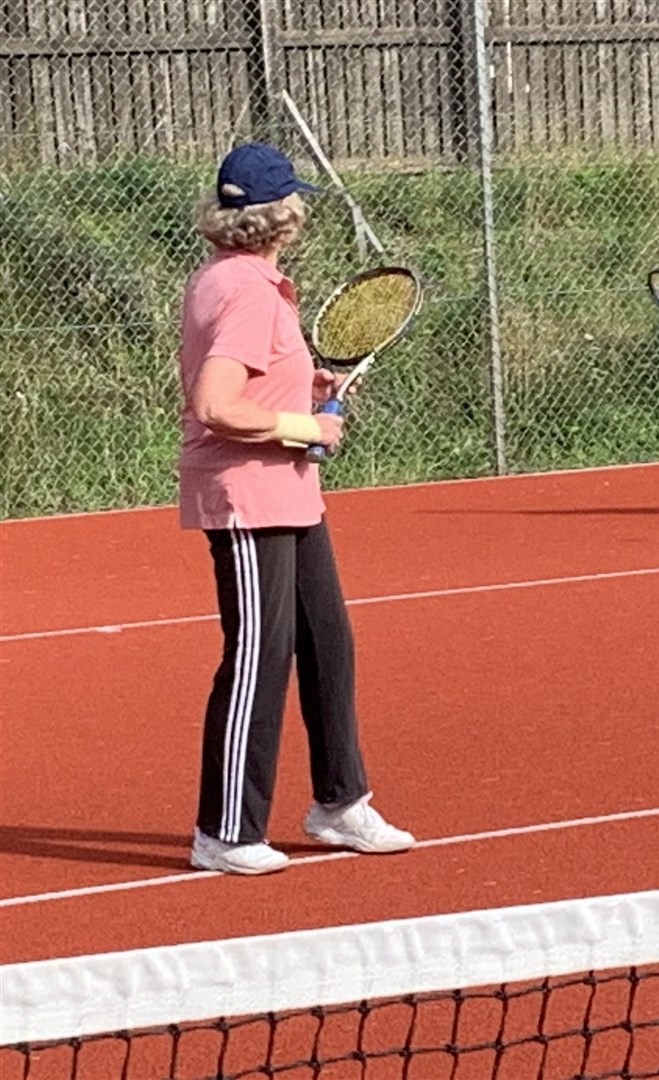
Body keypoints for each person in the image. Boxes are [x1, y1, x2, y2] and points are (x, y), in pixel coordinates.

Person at [178, 141, 414, 875]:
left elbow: (250, 374)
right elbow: (215, 403)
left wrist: (298, 383)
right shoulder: (249, 290)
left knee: (327, 642)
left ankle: (339, 804)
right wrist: (306, 425)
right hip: (249, 493)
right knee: (258, 655)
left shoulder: (231, 277)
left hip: (288, 491)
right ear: (285, 218)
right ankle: (224, 830)